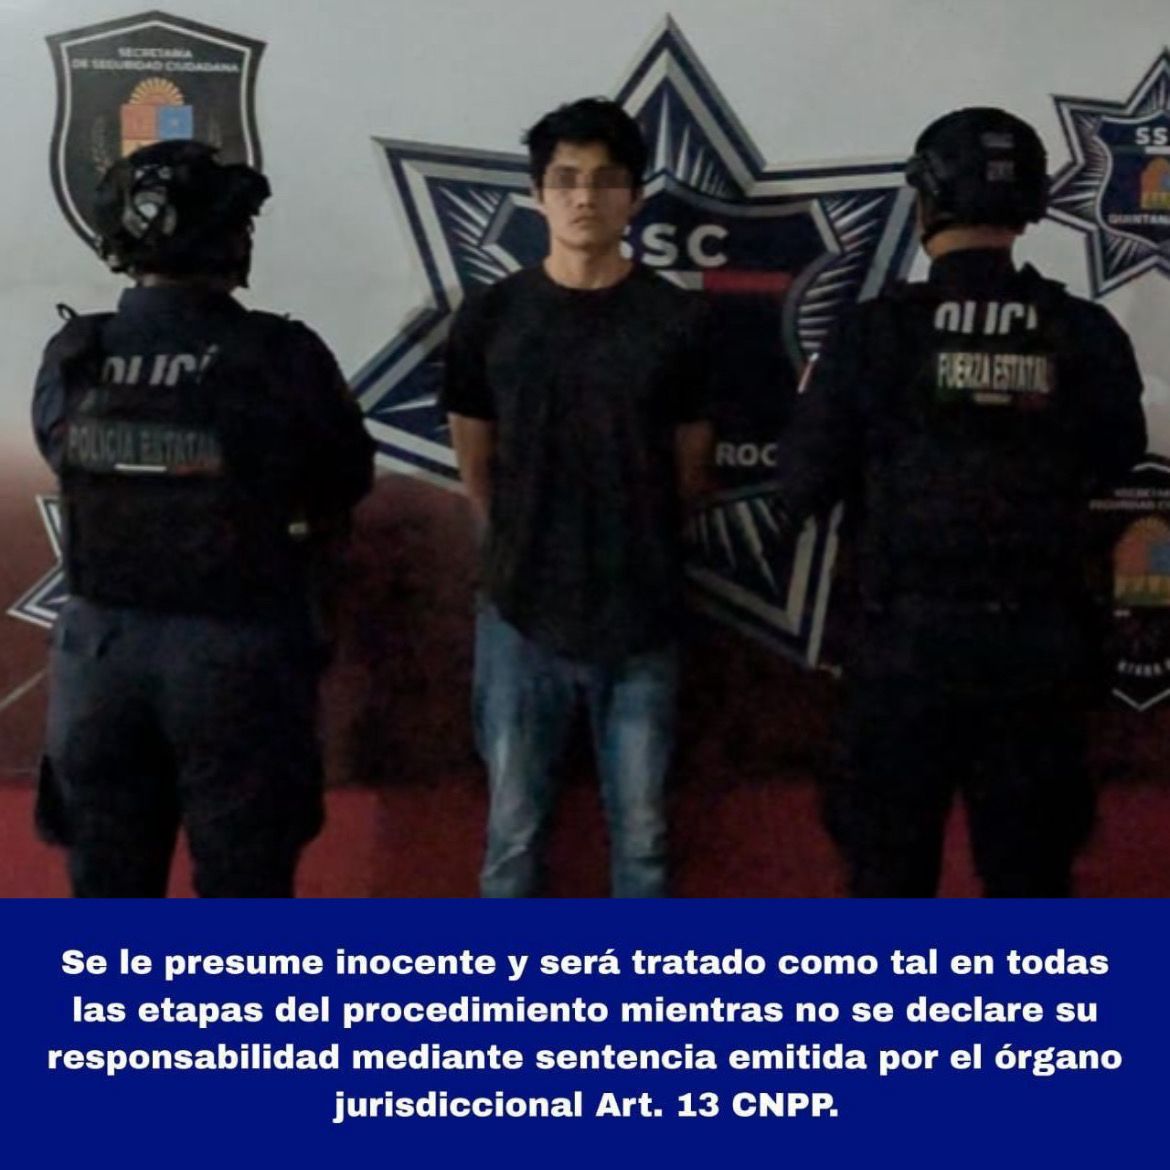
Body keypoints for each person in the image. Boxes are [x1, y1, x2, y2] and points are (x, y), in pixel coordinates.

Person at [769, 107, 1146, 897]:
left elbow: (800, 487)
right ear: (1032, 204)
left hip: (903, 654)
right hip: (1038, 653)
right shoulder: (1083, 333)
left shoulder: (871, 336)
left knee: (888, 889)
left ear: (926, 201)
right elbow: (1115, 459)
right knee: (1030, 889)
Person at [32, 139, 375, 897]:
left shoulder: (77, 352)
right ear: (230, 239)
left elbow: (63, 455)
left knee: (108, 903)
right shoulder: (280, 353)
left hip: (100, 661)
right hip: (237, 657)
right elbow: (344, 478)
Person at [442, 97, 713, 897]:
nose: (584, 197)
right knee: (512, 840)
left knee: (645, 842)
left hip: (643, 613)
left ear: (635, 195)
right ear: (537, 194)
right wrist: (522, 546)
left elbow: (691, 468)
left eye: (604, 179)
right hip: (519, 612)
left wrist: (639, 543)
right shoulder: (490, 317)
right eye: (565, 179)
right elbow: (474, 458)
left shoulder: (679, 321)